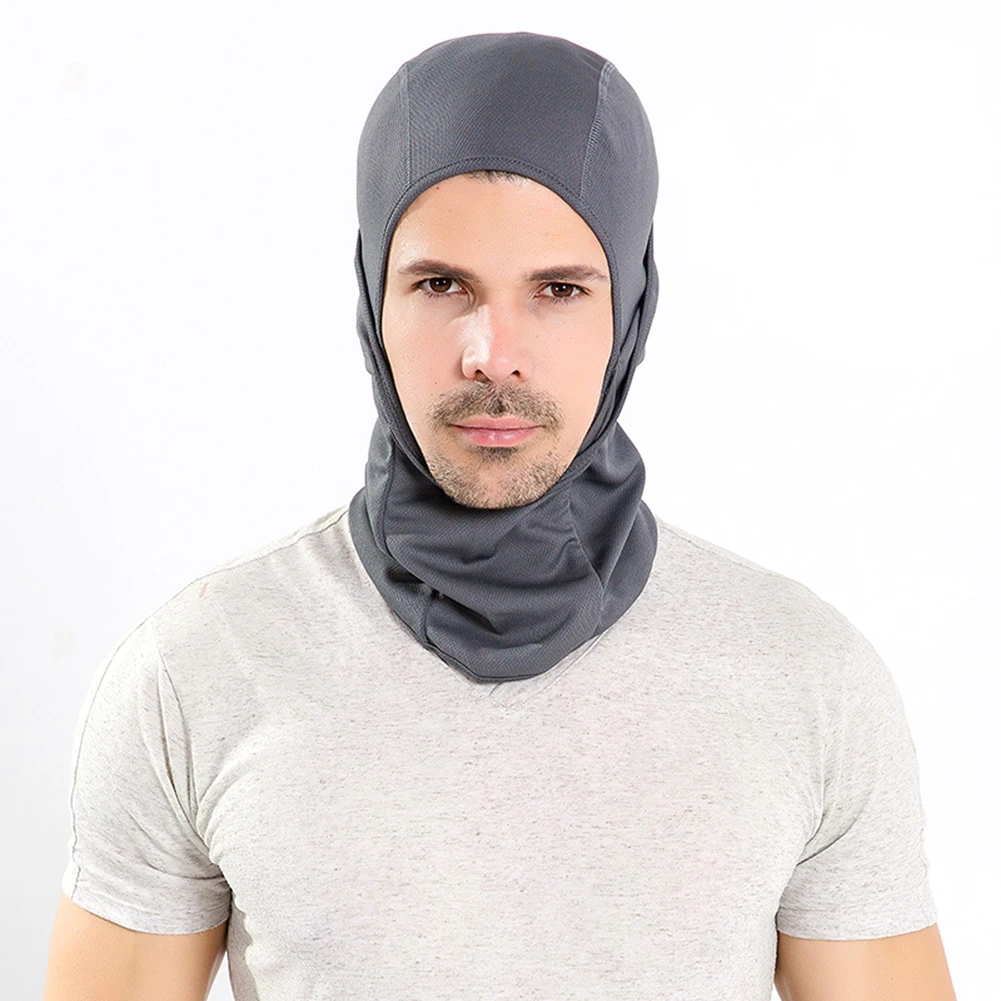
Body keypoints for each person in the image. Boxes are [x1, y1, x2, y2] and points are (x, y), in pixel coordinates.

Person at [43, 31, 956, 1001]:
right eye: (441, 284)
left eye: (557, 290)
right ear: (374, 299)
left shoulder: (806, 679)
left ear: (628, 310)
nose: (491, 352)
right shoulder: (197, 671)